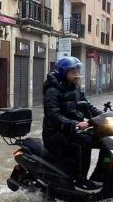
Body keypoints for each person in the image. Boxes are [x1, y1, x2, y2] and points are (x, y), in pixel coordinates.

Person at [42, 57, 103, 193]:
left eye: (78, 71)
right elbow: (54, 116)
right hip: (55, 134)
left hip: (72, 130)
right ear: (63, 73)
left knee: (103, 139)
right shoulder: (52, 91)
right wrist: (76, 124)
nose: (77, 75)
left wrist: (103, 116)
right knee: (85, 141)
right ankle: (79, 181)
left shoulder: (75, 88)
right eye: (73, 72)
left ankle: (103, 176)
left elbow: (87, 106)